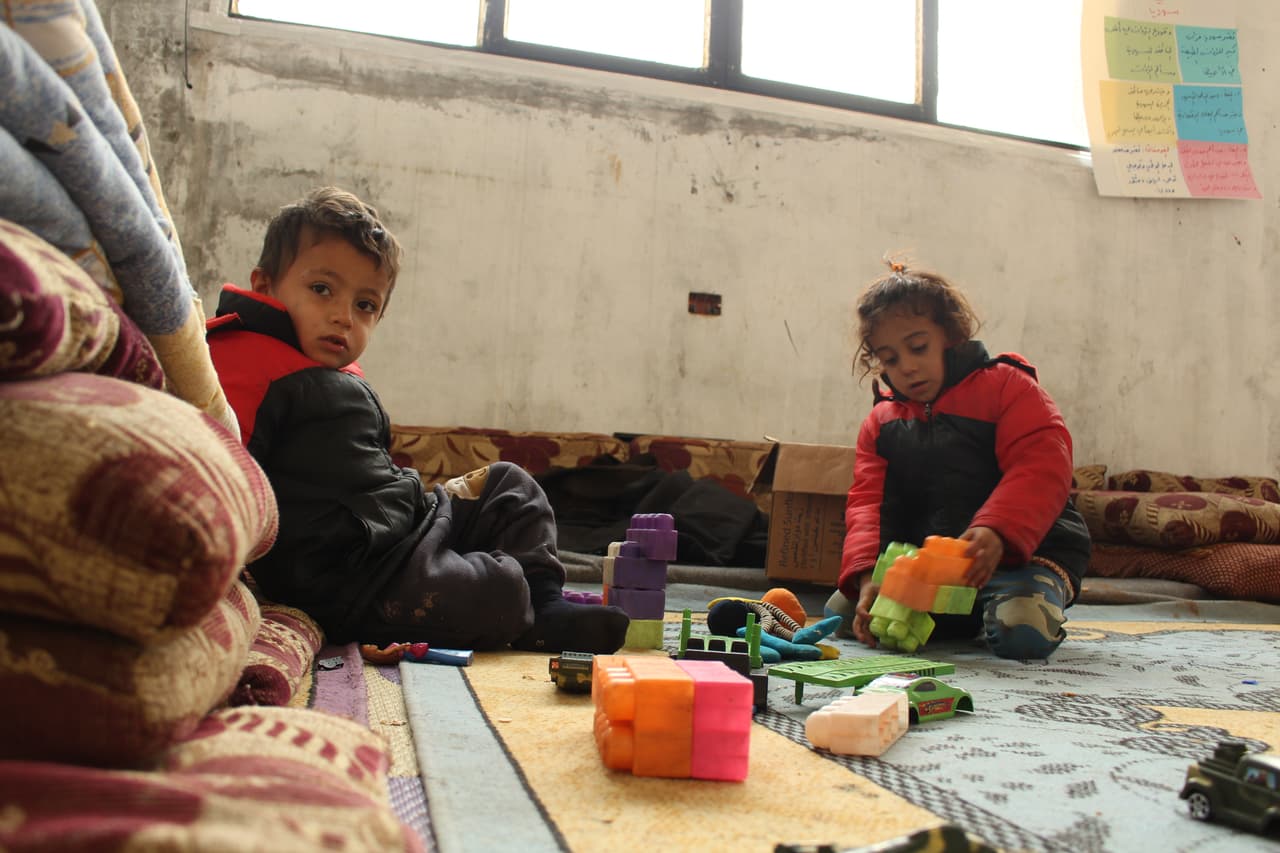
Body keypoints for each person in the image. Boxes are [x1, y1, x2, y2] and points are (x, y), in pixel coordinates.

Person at [206, 186, 629, 653]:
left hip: (408, 527)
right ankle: (518, 607)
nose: (343, 317)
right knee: (498, 594)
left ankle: (545, 606)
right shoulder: (242, 358)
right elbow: (222, 467)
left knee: (509, 485)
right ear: (265, 286)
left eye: (365, 304)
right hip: (353, 576)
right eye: (321, 289)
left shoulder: (324, 364)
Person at [825, 260, 1091, 660]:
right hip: (936, 566)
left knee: (1021, 632)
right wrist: (868, 576)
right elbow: (869, 505)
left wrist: (997, 531)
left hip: (1025, 552)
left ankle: (1003, 604)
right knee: (843, 614)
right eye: (890, 359)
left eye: (918, 347)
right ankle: (961, 614)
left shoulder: (1007, 387)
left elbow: (1041, 465)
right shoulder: (881, 423)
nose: (907, 367)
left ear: (950, 336)